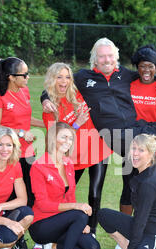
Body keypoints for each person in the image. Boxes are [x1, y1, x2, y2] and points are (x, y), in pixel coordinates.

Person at [0, 57, 45, 249]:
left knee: (29, 196)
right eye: (24, 75)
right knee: (8, 197)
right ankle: (1, 240)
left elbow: (25, 119)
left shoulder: (24, 92)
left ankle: (18, 237)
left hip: (27, 153)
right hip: (8, 154)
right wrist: (19, 133)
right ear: (11, 77)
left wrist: (48, 124)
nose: (28, 78)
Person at [42, 62, 113, 235]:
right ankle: (57, 228)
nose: (64, 81)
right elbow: (57, 139)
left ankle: (92, 231)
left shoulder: (80, 92)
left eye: (67, 77)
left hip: (96, 148)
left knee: (95, 193)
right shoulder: (50, 108)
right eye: (59, 77)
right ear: (52, 79)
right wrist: (76, 124)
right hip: (72, 155)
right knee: (64, 192)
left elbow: (103, 74)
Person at [29, 122, 101, 249]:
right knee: (80, 214)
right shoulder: (38, 166)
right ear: (53, 138)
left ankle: (55, 247)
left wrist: (82, 224)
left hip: (63, 221)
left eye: (70, 138)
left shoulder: (68, 163)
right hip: (41, 225)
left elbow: (70, 196)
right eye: (64, 137)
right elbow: (43, 204)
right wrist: (77, 209)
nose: (68, 142)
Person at [98, 134, 156, 249]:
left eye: (141, 150)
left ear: (150, 154)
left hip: (155, 235)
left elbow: (140, 221)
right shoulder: (153, 167)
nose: (135, 153)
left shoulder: (148, 183)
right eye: (133, 148)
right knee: (103, 215)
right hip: (142, 227)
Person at [120, 44, 156, 216]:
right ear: (137, 67)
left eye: (151, 66)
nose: (147, 70)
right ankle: (125, 232)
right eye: (143, 66)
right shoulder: (129, 84)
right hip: (131, 145)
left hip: (152, 148)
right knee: (128, 189)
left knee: (149, 191)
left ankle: (145, 231)